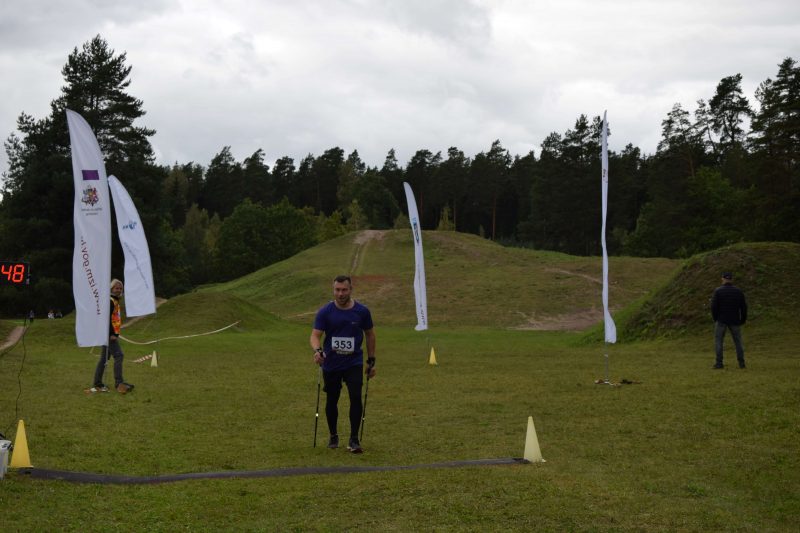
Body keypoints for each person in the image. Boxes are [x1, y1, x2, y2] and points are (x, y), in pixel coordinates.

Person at [310, 275, 376, 453]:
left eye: (344, 290)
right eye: (337, 290)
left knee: (355, 396)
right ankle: (333, 435)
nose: (340, 294)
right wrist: (318, 351)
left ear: (350, 290)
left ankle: (354, 439)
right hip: (331, 363)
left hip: (353, 362)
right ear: (333, 290)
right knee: (332, 399)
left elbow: (370, 335)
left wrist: (371, 360)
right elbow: (315, 335)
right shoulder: (325, 312)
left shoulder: (362, 311)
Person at [85, 279, 135, 394]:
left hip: (109, 333)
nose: (119, 290)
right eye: (116, 288)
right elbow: (106, 319)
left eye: (120, 288)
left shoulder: (115, 300)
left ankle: (97, 383)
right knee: (119, 355)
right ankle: (119, 383)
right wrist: (111, 334)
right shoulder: (110, 301)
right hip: (109, 334)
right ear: (111, 288)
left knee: (104, 358)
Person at [711, 272, 748, 369]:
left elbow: (714, 307)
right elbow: (743, 307)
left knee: (719, 341)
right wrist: (742, 319)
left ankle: (719, 363)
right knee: (738, 342)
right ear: (732, 279)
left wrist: (715, 318)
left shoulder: (718, 291)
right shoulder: (738, 291)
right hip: (735, 320)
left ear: (722, 279)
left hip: (721, 319)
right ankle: (741, 363)